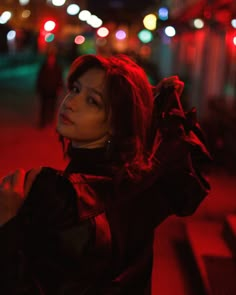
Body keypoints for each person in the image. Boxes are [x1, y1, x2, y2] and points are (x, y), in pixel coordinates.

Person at [0, 54, 211, 294]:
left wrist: (7, 224)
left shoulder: (67, 198)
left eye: (93, 101)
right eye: (76, 89)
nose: (71, 102)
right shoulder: (138, 181)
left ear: (117, 123)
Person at [36, 48, 64, 128]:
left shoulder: (57, 68)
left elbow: (60, 78)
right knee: (43, 106)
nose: (51, 60)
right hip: (44, 90)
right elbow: (40, 78)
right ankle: (42, 122)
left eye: (52, 58)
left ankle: (50, 119)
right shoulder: (44, 67)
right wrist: (39, 88)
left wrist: (60, 87)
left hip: (53, 90)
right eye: (49, 58)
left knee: (52, 105)